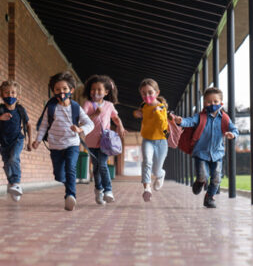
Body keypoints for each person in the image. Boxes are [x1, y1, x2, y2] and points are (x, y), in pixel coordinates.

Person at [31, 72, 94, 211]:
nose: (61, 92)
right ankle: (67, 185)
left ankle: (70, 195)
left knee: (70, 168)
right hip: (55, 145)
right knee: (59, 175)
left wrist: (80, 129)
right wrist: (38, 140)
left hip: (72, 144)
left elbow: (90, 123)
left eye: (65, 89)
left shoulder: (76, 107)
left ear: (71, 90)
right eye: (57, 89)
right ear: (53, 91)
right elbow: (44, 126)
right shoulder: (51, 107)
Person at [173, 87, 239, 208]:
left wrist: (232, 134)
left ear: (221, 103)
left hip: (217, 154)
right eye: (209, 102)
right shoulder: (200, 116)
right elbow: (189, 121)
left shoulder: (224, 118)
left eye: (215, 102)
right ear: (204, 103)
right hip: (201, 153)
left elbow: (234, 129)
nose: (212, 104)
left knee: (216, 178)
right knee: (203, 175)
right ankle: (200, 181)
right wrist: (180, 121)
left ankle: (209, 197)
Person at [82, 75, 126, 205]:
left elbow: (116, 118)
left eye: (99, 89)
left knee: (102, 164)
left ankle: (108, 191)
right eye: (93, 89)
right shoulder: (88, 104)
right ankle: (98, 190)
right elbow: (82, 119)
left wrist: (121, 126)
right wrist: (94, 114)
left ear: (106, 92)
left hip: (105, 141)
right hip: (90, 141)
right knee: (96, 168)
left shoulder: (109, 105)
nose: (95, 92)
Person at [132, 78, 169, 202]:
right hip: (147, 139)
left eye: (150, 92)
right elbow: (138, 113)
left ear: (157, 93)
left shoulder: (162, 107)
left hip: (161, 141)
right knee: (147, 161)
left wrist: (158, 113)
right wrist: (136, 114)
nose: (147, 95)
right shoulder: (143, 106)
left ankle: (160, 174)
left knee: (156, 169)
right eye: (143, 93)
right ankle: (147, 188)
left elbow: (163, 126)